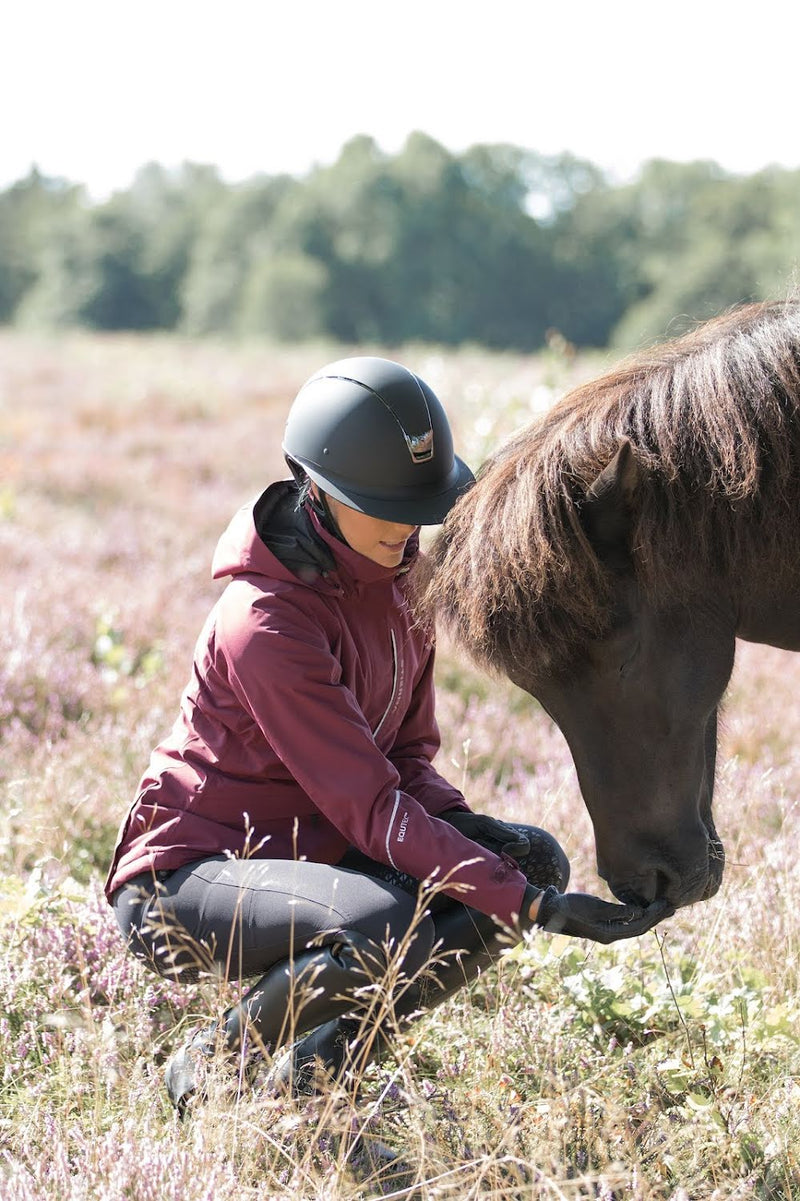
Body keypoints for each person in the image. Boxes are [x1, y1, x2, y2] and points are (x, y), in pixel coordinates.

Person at [105, 356, 669, 1116]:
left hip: (316, 853)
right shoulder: (264, 622)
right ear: (319, 490)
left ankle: (318, 1071)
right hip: (187, 879)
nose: (407, 528)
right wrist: (533, 908)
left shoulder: (406, 577)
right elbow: (373, 806)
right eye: (383, 505)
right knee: (387, 922)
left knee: (527, 856)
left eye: (418, 507)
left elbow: (406, 761)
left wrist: (481, 841)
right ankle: (214, 1067)